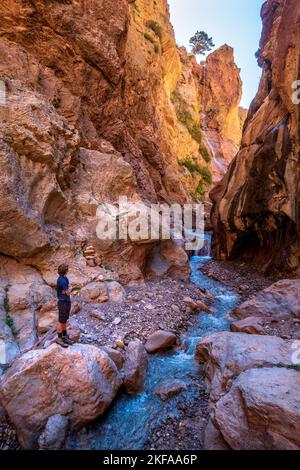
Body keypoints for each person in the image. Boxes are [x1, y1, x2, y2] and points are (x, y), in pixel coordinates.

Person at [56, 264, 73, 347]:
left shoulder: (65, 278)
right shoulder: (62, 280)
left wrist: (66, 291)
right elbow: (68, 292)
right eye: (67, 269)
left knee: (64, 320)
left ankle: (64, 337)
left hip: (66, 301)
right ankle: (59, 338)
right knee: (60, 321)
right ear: (65, 270)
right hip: (63, 302)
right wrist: (69, 290)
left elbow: (66, 290)